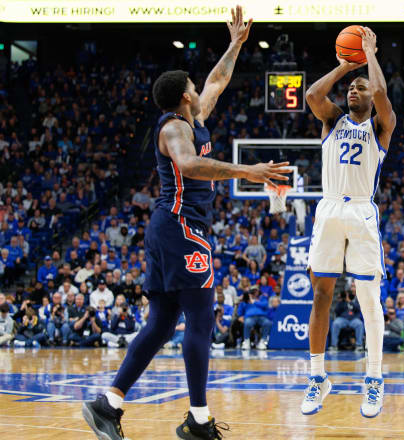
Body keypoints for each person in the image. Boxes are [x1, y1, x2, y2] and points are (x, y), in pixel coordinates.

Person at [82, 7, 291, 440]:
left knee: (160, 323)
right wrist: (247, 172)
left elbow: (217, 80)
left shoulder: (193, 117)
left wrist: (235, 44)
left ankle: (108, 404)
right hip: (180, 227)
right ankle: (198, 421)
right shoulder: (175, 129)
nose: (200, 88)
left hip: (170, 228)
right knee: (200, 319)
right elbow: (190, 164)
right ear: (184, 97)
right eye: (192, 87)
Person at [302, 26, 396, 418]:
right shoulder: (333, 121)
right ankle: (317, 376)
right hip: (328, 209)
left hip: (361, 211)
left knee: (367, 298)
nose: (353, 92)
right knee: (321, 294)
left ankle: (373, 378)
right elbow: (311, 95)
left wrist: (370, 57)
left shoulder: (379, 126)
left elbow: (380, 95)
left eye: (359, 87)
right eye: (350, 89)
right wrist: (344, 67)